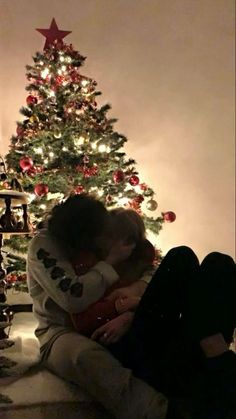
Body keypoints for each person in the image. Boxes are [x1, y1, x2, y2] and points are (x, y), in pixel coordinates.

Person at [27, 194, 168, 419]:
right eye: (98, 235)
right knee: (86, 357)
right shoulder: (44, 245)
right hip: (58, 332)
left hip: (112, 315)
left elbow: (150, 266)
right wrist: (109, 262)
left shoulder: (99, 242)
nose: (102, 240)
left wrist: (137, 287)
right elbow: (73, 298)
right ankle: (158, 412)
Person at [94, 246, 236, 418]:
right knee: (199, 259)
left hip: (192, 379)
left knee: (210, 263)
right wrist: (132, 315)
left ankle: (211, 351)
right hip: (194, 360)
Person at [71, 208, 157, 338]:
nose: (101, 240)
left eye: (109, 236)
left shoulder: (141, 265)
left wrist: (131, 313)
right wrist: (118, 307)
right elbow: (82, 320)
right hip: (109, 334)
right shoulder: (90, 261)